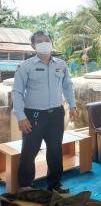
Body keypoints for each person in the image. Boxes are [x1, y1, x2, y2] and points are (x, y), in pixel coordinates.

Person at [12, 31, 77, 193]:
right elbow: (17, 92)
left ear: (52, 42)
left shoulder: (61, 64)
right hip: (33, 116)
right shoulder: (25, 66)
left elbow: (67, 86)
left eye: (47, 40)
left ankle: (54, 185)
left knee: (55, 150)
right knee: (29, 151)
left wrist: (73, 106)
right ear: (33, 46)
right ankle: (26, 186)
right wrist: (21, 117)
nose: (44, 43)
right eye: (39, 41)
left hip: (56, 114)